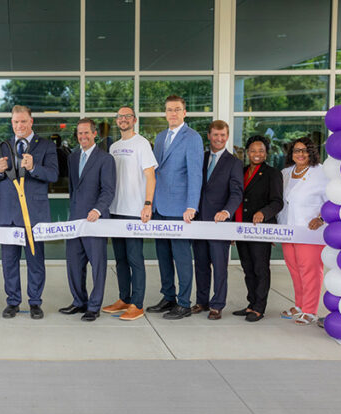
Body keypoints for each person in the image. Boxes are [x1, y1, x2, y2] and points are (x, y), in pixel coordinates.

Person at [0, 105, 59, 319]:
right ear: (12, 123)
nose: (19, 125)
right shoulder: (4, 146)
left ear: (31, 121)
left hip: (34, 215)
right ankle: (13, 301)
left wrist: (34, 167)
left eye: (23, 121)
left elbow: (53, 175)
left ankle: (35, 302)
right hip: (8, 214)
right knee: (9, 262)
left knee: (35, 261)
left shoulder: (46, 145)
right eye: (16, 122)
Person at [146, 95, 204, 320]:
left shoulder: (193, 138)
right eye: (169, 109)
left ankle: (184, 303)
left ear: (184, 112)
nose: (173, 113)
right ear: (165, 113)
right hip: (160, 206)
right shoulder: (161, 137)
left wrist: (191, 206)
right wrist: (150, 203)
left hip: (180, 209)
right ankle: (168, 296)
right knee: (163, 256)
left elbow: (195, 174)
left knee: (181, 258)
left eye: (177, 109)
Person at [101, 106, 157, 321]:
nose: (123, 119)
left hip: (134, 211)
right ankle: (124, 299)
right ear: (116, 121)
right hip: (115, 210)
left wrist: (147, 204)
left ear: (134, 120)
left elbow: (150, 176)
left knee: (135, 259)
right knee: (121, 260)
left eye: (127, 116)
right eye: (120, 116)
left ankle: (137, 304)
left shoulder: (142, 144)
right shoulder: (114, 147)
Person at [59, 119, 116, 322]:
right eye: (80, 133)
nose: (83, 136)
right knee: (74, 264)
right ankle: (79, 302)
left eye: (86, 133)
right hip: (75, 220)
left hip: (95, 220)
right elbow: (73, 189)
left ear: (94, 134)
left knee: (98, 265)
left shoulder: (105, 159)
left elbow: (108, 190)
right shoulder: (73, 157)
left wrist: (98, 210)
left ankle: (94, 306)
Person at [191, 120, 243, 320]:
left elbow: (236, 193)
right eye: (215, 135)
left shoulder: (234, 162)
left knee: (220, 266)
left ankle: (217, 304)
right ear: (209, 136)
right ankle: (202, 301)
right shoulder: (200, 158)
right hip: (198, 221)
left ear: (227, 137)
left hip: (219, 223)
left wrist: (227, 212)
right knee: (201, 264)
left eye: (222, 135)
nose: (219, 139)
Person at [233, 135, 284, 322]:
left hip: (260, 228)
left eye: (261, 151)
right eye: (253, 150)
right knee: (247, 268)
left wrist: (264, 212)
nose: (257, 154)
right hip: (241, 227)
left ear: (266, 153)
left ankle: (259, 308)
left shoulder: (272, 173)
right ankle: (251, 303)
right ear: (247, 152)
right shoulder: (242, 171)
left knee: (260, 268)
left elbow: (277, 202)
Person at [278, 137, 328, 325]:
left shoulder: (322, 173)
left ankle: (310, 310)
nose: (300, 154)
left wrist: (321, 218)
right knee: (294, 270)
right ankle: (299, 305)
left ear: (312, 153)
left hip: (309, 231)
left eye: (305, 150)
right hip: (287, 229)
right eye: (296, 150)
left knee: (310, 271)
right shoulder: (286, 173)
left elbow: (333, 199)